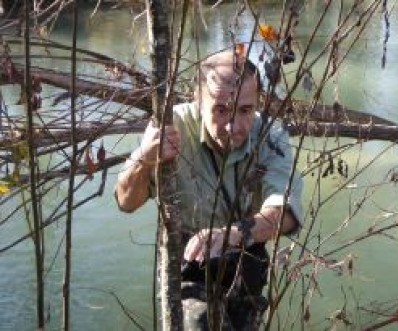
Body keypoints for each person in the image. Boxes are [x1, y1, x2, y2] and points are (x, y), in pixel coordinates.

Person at [114, 49, 303, 330]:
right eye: (220, 109)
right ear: (198, 100)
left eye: (245, 110)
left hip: (245, 262)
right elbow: (127, 202)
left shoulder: (271, 135)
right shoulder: (172, 125)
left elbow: (285, 214)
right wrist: (144, 158)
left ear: (257, 104)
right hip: (189, 266)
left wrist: (235, 234)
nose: (233, 126)